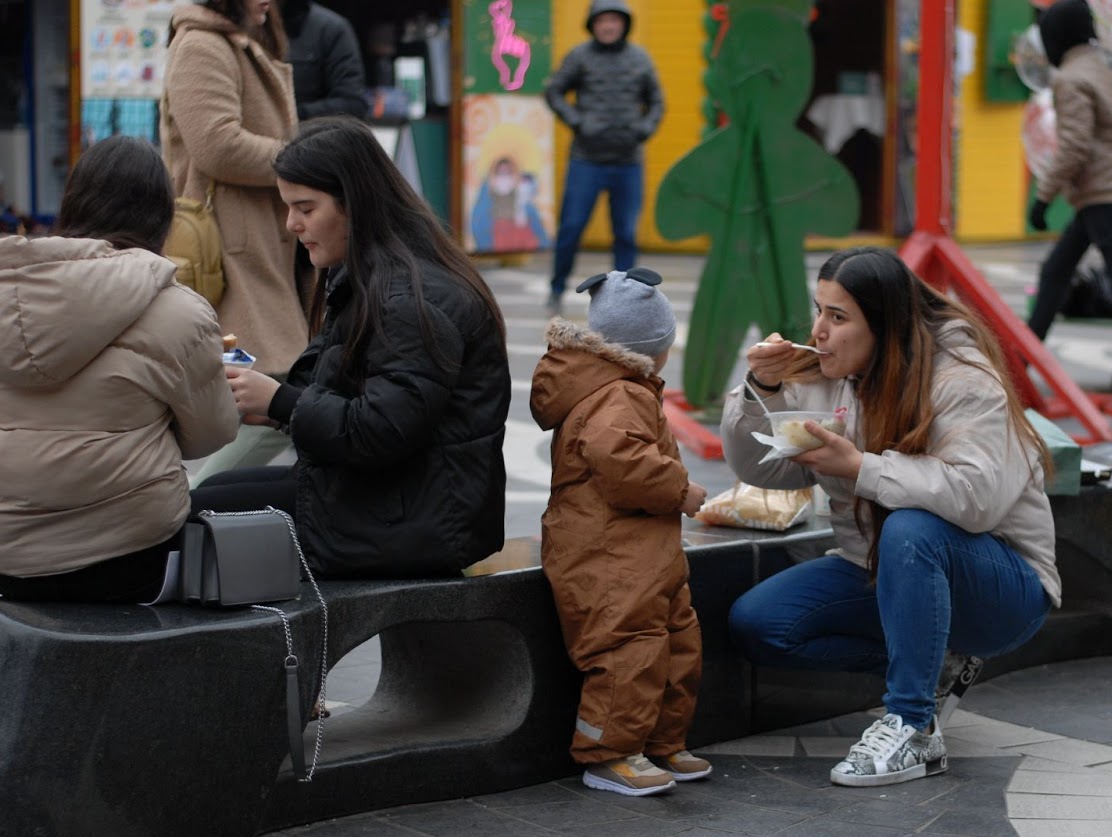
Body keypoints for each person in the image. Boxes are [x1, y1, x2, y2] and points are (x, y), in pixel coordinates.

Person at [722, 247, 1060, 788]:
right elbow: (760, 467)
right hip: (880, 569)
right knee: (761, 624)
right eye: (819, 311)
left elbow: (978, 499)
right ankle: (935, 664)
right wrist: (759, 389)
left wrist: (859, 467)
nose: (819, 330)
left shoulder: (962, 379)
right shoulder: (835, 378)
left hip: (1003, 587)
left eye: (838, 317)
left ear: (885, 325)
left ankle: (912, 725)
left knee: (911, 526)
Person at [191, 117, 509, 579]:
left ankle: (250, 650)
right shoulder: (368, 274)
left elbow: (381, 430)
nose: (291, 224)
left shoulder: (410, 299)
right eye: (288, 207)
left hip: (420, 517)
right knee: (214, 493)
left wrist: (280, 401)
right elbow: (331, 387)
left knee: (199, 517)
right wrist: (260, 395)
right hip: (396, 499)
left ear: (355, 205)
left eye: (305, 207)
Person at [0, 136, 238, 602]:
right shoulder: (180, 312)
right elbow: (211, 435)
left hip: (1, 560)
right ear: (162, 217)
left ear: (72, 204)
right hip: (133, 556)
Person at [530, 270, 710, 796]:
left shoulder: (624, 389)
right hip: (606, 554)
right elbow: (620, 460)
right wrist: (680, 490)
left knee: (676, 639)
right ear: (651, 350)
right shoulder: (619, 396)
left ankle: (660, 741)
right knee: (627, 648)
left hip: (641, 552)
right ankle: (607, 753)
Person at [162, 0, 309, 484]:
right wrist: (303, 158)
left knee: (273, 400)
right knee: (276, 402)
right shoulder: (201, 44)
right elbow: (217, 145)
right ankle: (191, 509)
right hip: (229, 255)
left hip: (260, 248)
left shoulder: (238, 42)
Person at [1025, 0, 1112, 396]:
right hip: (1107, 186)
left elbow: (1074, 147)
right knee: (1056, 272)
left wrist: (1043, 198)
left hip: (1100, 190)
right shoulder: (1100, 69)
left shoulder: (1070, 79)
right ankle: (1021, 363)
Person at [544, 0, 664, 315]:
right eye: (602, 21)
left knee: (625, 233)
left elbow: (657, 101)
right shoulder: (579, 56)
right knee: (571, 228)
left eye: (614, 20)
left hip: (627, 161)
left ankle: (623, 299)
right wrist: (577, 122)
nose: (608, 26)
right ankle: (556, 289)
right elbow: (554, 91)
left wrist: (645, 128)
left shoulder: (640, 58)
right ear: (592, 25)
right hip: (587, 160)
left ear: (624, 24)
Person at [282, 0, 368, 120]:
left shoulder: (331, 28)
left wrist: (295, 114)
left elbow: (353, 104)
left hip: (307, 133)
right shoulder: (253, 27)